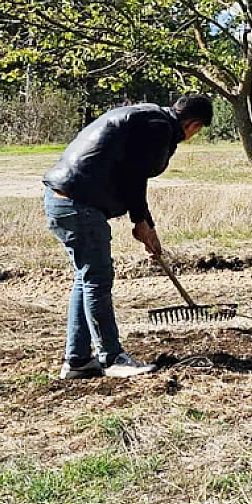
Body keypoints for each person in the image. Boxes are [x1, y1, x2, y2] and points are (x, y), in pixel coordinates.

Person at [42, 94, 214, 379]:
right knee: (96, 279)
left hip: (62, 199)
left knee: (87, 279)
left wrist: (146, 223)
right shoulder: (160, 128)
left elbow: (130, 172)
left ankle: (78, 360)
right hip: (78, 204)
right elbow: (135, 175)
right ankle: (112, 358)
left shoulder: (148, 117)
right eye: (197, 131)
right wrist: (139, 222)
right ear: (193, 125)